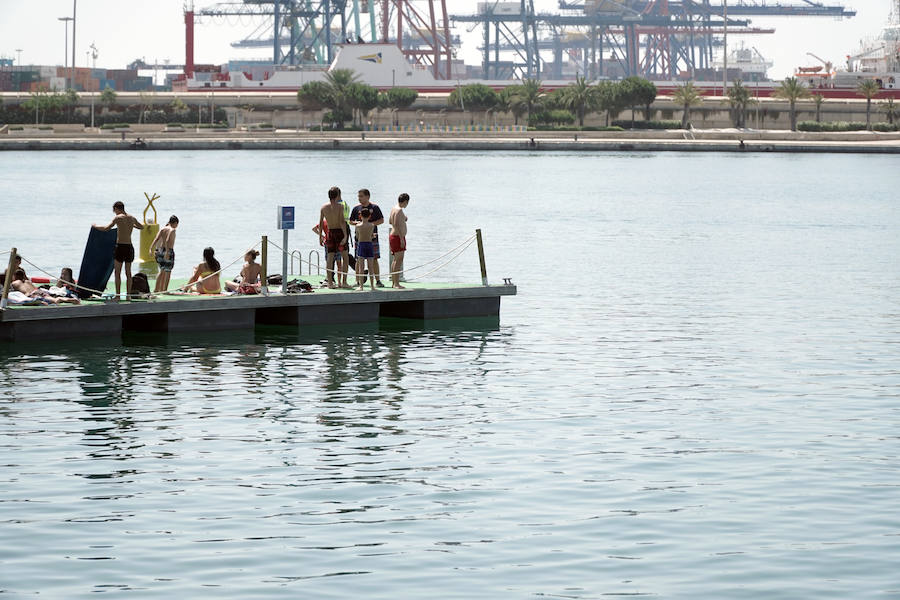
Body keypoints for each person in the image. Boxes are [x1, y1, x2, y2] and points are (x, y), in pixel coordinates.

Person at [92, 201, 143, 300]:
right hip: (129, 247)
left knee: (117, 272)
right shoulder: (132, 218)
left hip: (120, 247)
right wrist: (132, 226)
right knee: (128, 273)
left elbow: (106, 228)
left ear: (116, 208)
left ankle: (118, 296)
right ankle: (128, 296)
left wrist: (95, 226)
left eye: (114, 210)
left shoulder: (118, 218)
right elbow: (142, 227)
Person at [349, 188, 385, 287]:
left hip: (372, 238)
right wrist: (358, 223)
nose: (359, 198)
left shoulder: (375, 207)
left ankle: (377, 281)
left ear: (367, 196)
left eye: (361, 196)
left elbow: (381, 220)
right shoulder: (356, 208)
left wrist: (369, 224)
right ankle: (357, 281)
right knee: (358, 259)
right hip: (359, 239)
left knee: (374, 259)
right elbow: (350, 221)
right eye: (358, 196)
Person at [319, 186, 351, 289]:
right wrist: (345, 236)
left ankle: (330, 283)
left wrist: (320, 236)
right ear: (337, 195)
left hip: (330, 232)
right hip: (339, 232)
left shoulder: (323, 207)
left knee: (330, 258)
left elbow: (320, 223)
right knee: (345, 257)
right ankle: (344, 282)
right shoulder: (340, 207)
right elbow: (342, 222)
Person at [11, 269, 79, 305]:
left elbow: (12, 293)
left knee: (40, 299)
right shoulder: (28, 282)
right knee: (48, 297)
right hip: (39, 291)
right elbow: (35, 288)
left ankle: (57, 300)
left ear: (15, 277)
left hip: (31, 294)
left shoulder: (15, 283)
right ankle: (61, 299)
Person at [150, 215, 179, 293]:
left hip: (160, 250)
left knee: (162, 270)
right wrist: (167, 252)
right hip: (168, 250)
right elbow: (167, 240)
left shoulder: (162, 229)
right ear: (175, 223)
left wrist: (151, 249)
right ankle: (165, 290)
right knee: (168, 271)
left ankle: (156, 289)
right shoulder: (172, 230)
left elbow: (156, 239)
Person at [388, 193, 410, 289]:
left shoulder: (394, 208)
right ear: (405, 201)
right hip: (397, 237)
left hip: (394, 236)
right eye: (407, 202)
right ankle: (396, 283)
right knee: (398, 260)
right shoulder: (399, 210)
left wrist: (403, 219)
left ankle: (394, 282)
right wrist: (401, 238)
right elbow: (396, 224)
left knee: (396, 260)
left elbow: (390, 221)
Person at [354, 208, 377, 291]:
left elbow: (357, 236)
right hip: (369, 245)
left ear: (360, 216)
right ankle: (372, 286)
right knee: (371, 267)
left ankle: (361, 286)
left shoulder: (358, 226)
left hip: (361, 245)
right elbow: (371, 235)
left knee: (361, 267)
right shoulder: (372, 225)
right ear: (369, 216)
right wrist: (372, 236)